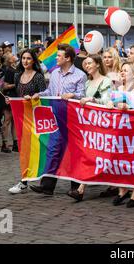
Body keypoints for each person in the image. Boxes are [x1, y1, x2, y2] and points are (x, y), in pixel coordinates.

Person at [28, 44, 87, 196]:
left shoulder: (80, 75)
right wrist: (39, 94)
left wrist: (73, 96)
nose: (56, 58)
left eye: (59, 56)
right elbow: (50, 91)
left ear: (68, 58)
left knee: (74, 152)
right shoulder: (54, 74)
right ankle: (47, 186)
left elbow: (83, 95)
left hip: (73, 120)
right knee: (53, 149)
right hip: (56, 117)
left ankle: (75, 188)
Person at [67, 54, 112, 201]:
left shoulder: (106, 81)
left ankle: (117, 186)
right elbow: (82, 100)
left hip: (103, 125)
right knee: (88, 155)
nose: (86, 65)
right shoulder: (87, 83)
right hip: (90, 125)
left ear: (98, 64)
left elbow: (107, 101)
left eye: (90, 63)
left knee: (105, 157)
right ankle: (80, 189)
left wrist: (92, 99)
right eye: (85, 63)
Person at [8, 50, 47, 194]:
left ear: (33, 61)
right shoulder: (17, 75)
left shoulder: (38, 77)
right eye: (23, 58)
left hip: (37, 118)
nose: (25, 61)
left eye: (28, 59)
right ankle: (24, 181)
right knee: (24, 150)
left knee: (39, 148)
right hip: (23, 118)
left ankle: (44, 177)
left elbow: (45, 96)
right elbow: (18, 95)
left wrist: (34, 98)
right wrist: (12, 101)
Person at [109, 62, 134, 208]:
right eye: (121, 70)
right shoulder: (118, 89)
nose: (123, 73)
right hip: (120, 130)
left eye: (126, 70)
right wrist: (111, 105)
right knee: (120, 160)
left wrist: (129, 107)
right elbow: (110, 103)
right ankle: (122, 191)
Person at [0, 53, 18, 153]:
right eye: (12, 55)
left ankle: (15, 143)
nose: (14, 55)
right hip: (10, 97)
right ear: (10, 60)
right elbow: (5, 86)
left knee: (15, 121)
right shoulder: (9, 71)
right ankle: (4, 144)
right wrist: (17, 84)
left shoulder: (16, 69)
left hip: (16, 97)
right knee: (7, 121)